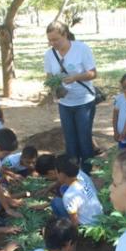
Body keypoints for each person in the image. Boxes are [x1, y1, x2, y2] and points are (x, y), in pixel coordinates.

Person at [44, 21, 97, 174]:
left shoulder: (82, 49)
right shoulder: (49, 54)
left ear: (65, 35)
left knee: (84, 138)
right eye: (50, 40)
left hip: (84, 101)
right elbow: (49, 76)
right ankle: (72, 172)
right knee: (70, 140)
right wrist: (53, 88)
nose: (53, 43)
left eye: (56, 39)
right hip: (65, 102)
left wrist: (75, 77)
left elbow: (93, 73)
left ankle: (86, 171)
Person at [51, 154, 103, 226]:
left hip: (87, 226)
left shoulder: (68, 195)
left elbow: (75, 222)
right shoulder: (82, 180)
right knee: (62, 189)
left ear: (62, 174)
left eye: (56, 172)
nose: (56, 175)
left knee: (56, 202)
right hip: (99, 219)